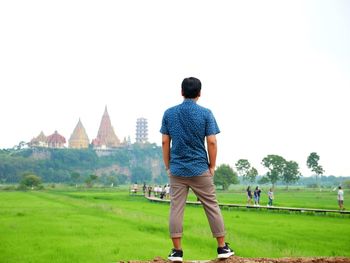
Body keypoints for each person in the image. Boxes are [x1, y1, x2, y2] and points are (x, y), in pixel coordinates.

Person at [160, 77, 234, 262]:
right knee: (211, 206)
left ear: (181, 92)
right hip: (200, 168)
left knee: (176, 208)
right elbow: (211, 141)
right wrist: (212, 166)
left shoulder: (169, 113)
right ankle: (222, 247)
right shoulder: (206, 114)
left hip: (177, 170)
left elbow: (164, 142)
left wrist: (168, 166)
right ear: (199, 93)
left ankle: (177, 252)